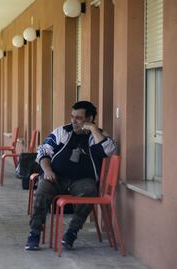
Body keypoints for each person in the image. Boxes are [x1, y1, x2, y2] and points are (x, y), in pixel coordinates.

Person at [25, 101, 117, 250]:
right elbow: (43, 151)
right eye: (72, 117)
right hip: (55, 177)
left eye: (79, 118)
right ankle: (34, 234)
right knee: (42, 190)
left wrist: (93, 128)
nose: (73, 121)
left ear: (90, 118)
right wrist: (47, 171)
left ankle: (71, 233)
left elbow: (109, 150)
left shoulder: (97, 135)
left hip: (82, 181)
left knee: (90, 192)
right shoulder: (62, 132)